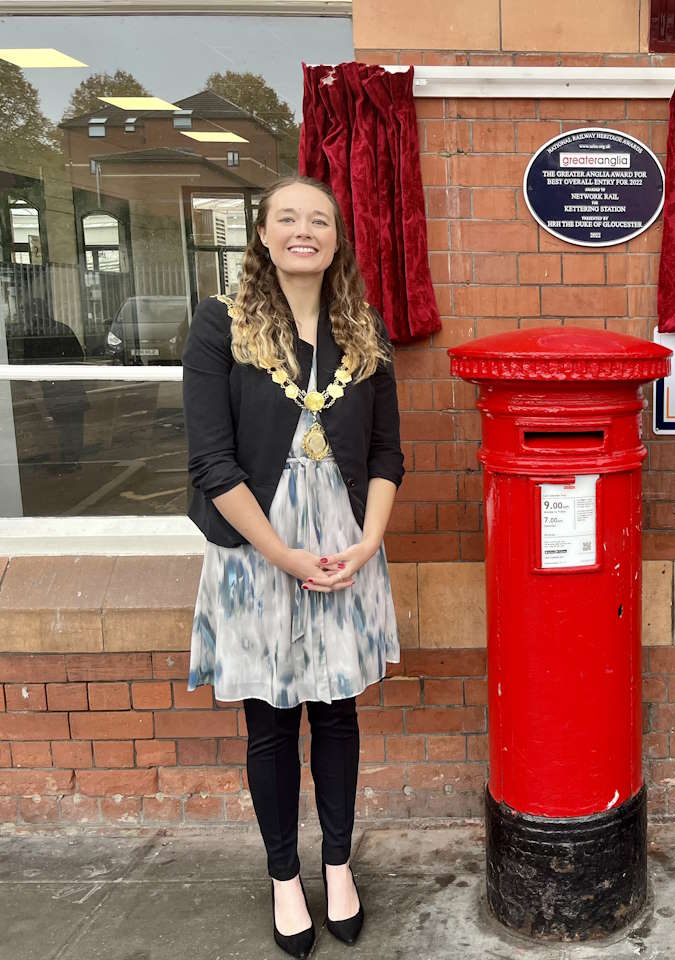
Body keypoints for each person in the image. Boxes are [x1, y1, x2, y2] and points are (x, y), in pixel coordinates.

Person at [182, 176, 403, 958]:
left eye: (319, 220)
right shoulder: (222, 327)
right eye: (287, 219)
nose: (303, 231)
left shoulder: (362, 330)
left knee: (337, 712)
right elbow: (211, 460)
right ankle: (285, 879)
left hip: (343, 548)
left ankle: (337, 867)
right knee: (271, 724)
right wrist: (283, 557)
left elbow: (385, 453)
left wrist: (368, 544)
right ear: (264, 235)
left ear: (336, 239)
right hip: (256, 551)